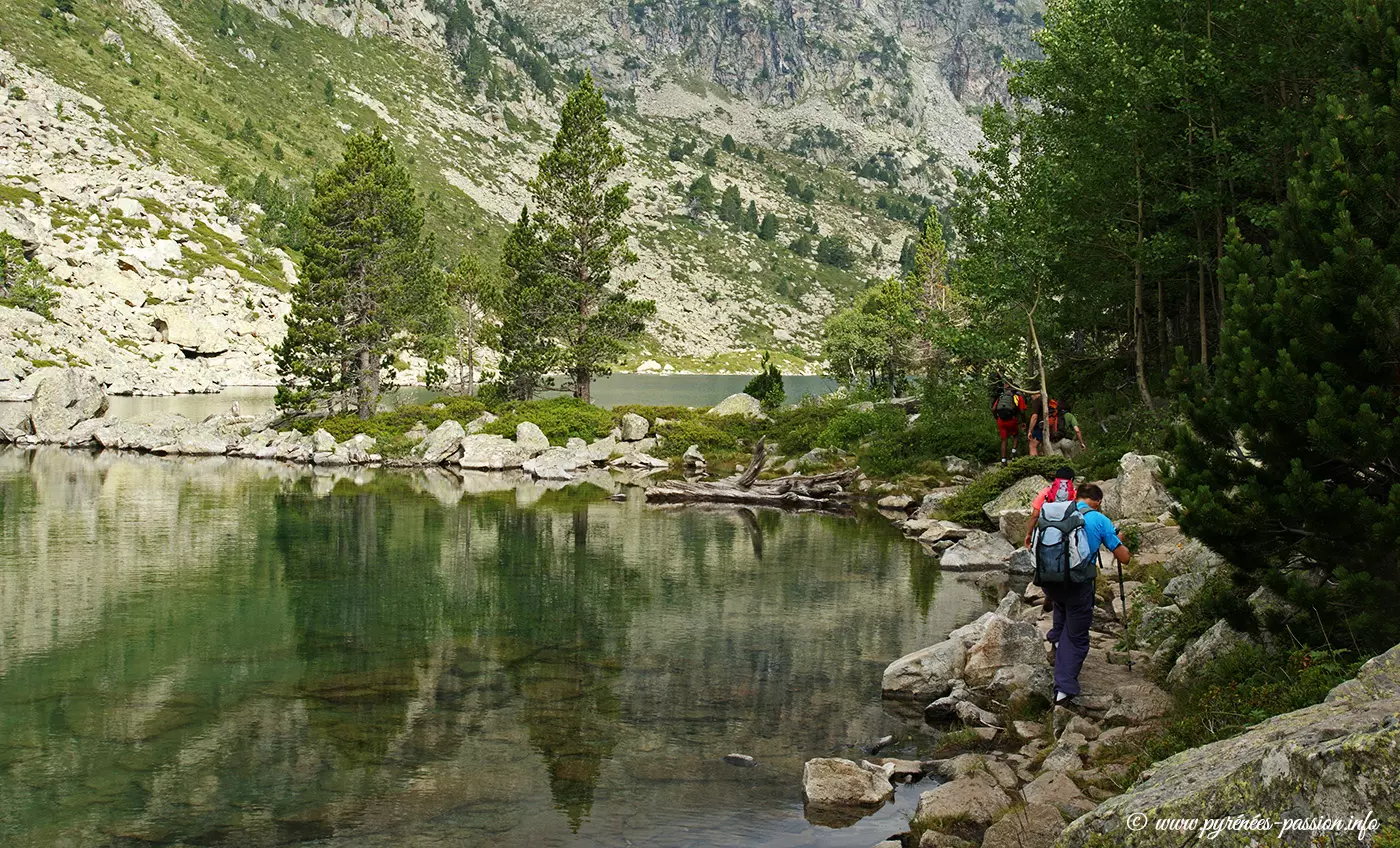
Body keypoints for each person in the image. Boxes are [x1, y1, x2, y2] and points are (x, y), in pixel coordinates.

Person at [1035, 482, 1130, 709]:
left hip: (1050, 581)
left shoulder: (1057, 513)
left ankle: (1056, 647)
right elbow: (1124, 558)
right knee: (1077, 638)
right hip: (1078, 585)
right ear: (1097, 501)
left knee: (1061, 609)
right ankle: (1063, 691)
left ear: (1077, 496)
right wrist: (1120, 539)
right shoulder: (1099, 520)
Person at [1023, 467, 1077, 549]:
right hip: (1069, 536)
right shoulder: (1075, 494)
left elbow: (1035, 516)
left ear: (1055, 479)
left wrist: (1029, 534)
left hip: (1047, 535)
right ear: (1071, 479)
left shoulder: (1046, 493)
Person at [991, 382, 1026, 466]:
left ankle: (1003, 460)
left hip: (1001, 420)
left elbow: (993, 409)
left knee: (1004, 440)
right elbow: (1022, 411)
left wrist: (997, 418)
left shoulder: (1001, 397)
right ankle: (1013, 452)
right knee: (1016, 435)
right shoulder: (1017, 397)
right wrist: (1023, 421)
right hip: (1012, 419)